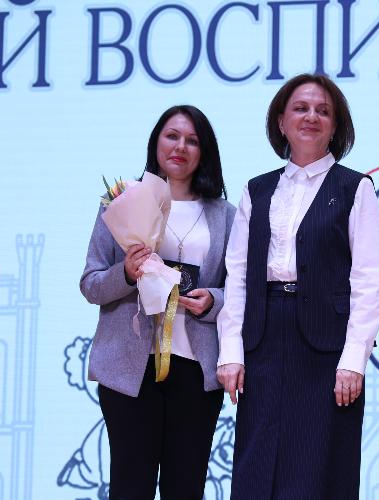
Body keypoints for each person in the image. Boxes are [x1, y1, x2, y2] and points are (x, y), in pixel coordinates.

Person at [216, 73, 379, 499]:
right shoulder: (257, 190)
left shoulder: (355, 188)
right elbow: (238, 275)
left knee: (317, 467)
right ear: (281, 121)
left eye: (323, 111)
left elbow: (368, 280)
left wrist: (353, 360)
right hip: (263, 339)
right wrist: (231, 350)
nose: (312, 117)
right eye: (301, 108)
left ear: (336, 125)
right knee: (258, 465)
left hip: (326, 348)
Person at [80, 105, 236, 499]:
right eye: (172, 136)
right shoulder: (121, 202)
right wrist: (126, 273)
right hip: (130, 369)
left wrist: (213, 301)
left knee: (185, 488)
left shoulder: (227, 216)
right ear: (156, 142)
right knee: (130, 487)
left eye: (192, 140)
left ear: (205, 151)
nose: (180, 146)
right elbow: (91, 284)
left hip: (196, 370)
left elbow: (240, 291)